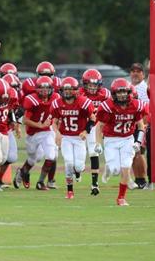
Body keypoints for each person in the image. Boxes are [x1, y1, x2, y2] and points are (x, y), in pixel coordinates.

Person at [95, 78, 146, 206]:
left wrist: (138, 142)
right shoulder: (108, 106)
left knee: (125, 168)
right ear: (114, 93)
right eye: (119, 92)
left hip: (127, 140)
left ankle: (121, 198)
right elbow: (99, 126)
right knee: (116, 170)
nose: (122, 94)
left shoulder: (136, 105)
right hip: (111, 140)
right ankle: (108, 168)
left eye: (124, 92)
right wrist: (97, 143)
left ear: (129, 92)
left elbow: (141, 126)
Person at [51, 77, 95, 199]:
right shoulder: (57, 103)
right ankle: (70, 191)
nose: (68, 92)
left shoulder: (83, 102)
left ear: (76, 90)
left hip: (79, 138)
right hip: (66, 137)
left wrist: (86, 131)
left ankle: (78, 172)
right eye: (65, 89)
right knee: (69, 162)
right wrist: (57, 133)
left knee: (79, 166)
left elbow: (93, 118)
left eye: (70, 89)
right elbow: (54, 122)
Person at [13, 76, 59, 190]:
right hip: (33, 134)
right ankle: (22, 172)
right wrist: (40, 125)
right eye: (41, 88)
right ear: (36, 89)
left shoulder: (55, 98)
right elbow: (25, 120)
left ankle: (40, 182)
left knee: (51, 156)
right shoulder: (31, 100)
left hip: (47, 132)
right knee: (34, 158)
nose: (44, 91)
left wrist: (58, 129)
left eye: (47, 88)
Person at [79, 68, 111, 195]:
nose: (92, 87)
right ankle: (78, 170)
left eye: (94, 84)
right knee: (79, 160)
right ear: (84, 84)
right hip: (80, 126)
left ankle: (94, 183)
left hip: (95, 127)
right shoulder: (79, 93)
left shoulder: (105, 94)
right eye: (89, 84)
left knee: (94, 153)